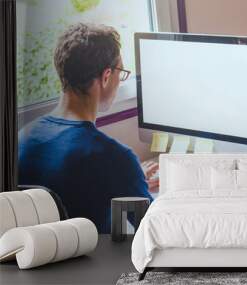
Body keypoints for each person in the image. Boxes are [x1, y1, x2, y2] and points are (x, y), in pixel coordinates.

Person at [18, 23, 158, 233]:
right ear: (106, 76)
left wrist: (131, 180)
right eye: (121, 72)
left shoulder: (22, 138)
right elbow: (154, 231)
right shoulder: (115, 159)